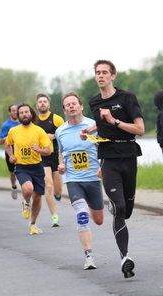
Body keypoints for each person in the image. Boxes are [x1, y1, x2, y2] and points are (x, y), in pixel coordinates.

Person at [86, 59, 145, 278]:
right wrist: (91, 131)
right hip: (108, 159)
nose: (101, 76)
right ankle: (125, 258)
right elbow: (100, 123)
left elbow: (140, 129)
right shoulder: (94, 102)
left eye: (105, 72)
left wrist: (114, 121)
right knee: (119, 207)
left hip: (128, 156)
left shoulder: (127, 98)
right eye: (97, 72)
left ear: (113, 76)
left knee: (126, 210)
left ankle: (117, 207)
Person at [56, 92, 104, 270]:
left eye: (74, 103)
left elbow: (104, 147)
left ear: (81, 106)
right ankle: (89, 256)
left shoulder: (93, 125)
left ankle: (90, 208)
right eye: (67, 105)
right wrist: (61, 164)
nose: (71, 106)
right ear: (64, 110)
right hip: (73, 179)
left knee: (98, 220)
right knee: (82, 214)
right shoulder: (60, 130)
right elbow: (61, 151)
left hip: (93, 178)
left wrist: (103, 166)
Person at [5, 103, 52, 234]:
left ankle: (33, 224)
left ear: (31, 114)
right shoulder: (13, 131)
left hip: (37, 167)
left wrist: (39, 150)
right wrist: (11, 155)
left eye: (26, 112)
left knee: (37, 198)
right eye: (21, 113)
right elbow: (7, 145)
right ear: (18, 116)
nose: (24, 114)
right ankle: (26, 203)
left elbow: (48, 151)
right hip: (22, 167)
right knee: (28, 188)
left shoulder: (39, 131)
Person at [36, 93, 65, 227]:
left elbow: (64, 136)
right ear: (37, 105)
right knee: (48, 185)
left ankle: (58, 195)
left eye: (45, 101)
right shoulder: (33, 121)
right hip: (41, 157)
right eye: (40, 102)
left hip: (56, 156)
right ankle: (54, 216)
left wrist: (53, 136)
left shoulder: (57, 119)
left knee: (58, 190)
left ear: (49, 104)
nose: (42, 103)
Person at [0, 104, 20, 200]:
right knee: (12, 173)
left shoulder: (22, 122)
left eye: (16, 110)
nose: (15, 112)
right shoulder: (6, 125)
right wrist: (10, 136)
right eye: (13, 110)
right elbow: (1, 141)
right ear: (10, 112)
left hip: (21, 151)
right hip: (10, 151)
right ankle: (14, 186)